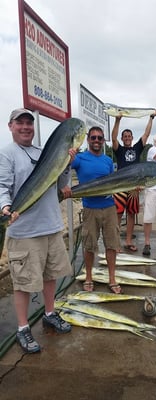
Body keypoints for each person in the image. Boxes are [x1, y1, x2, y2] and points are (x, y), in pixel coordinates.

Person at [0, 108, 76, 354]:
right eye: (19, 123)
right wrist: (5, 206)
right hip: (23, 231)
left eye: (28, 123)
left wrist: (67, 163)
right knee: (23, 283)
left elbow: (61, 184)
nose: (25, 127)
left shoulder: (43, 152)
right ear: (11, 126)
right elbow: (2, 185)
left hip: (51, 226)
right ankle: (22, 328)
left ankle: (50, 313)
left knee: (50, 275)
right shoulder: (6, 153)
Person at [71, 126, 121, 294]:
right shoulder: (80, 158)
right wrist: (70, 154)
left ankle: (112, 278)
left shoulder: (108, 160)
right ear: (88, 140)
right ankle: (89, 277)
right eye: (93, 138)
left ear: (103, 140)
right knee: (89, 245)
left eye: (100, 138)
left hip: (109, 207)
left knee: (112, 245)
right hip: (90, 209)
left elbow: (113, 182)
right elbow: (65, 167)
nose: (97, 141)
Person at [112, 111, 156, 251]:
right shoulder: (119, 149)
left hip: (134, 187)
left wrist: (151, 117)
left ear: (132, 137)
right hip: (120, 186)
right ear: (122, 138)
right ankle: (115, 243)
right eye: (125, 136)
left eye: (129, 136)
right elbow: (113, 138)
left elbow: (146, 134)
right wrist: (117, 120)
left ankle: (128, 241)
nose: (127, 138)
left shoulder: (137, 148)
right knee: (118, 214)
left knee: (132, 214)